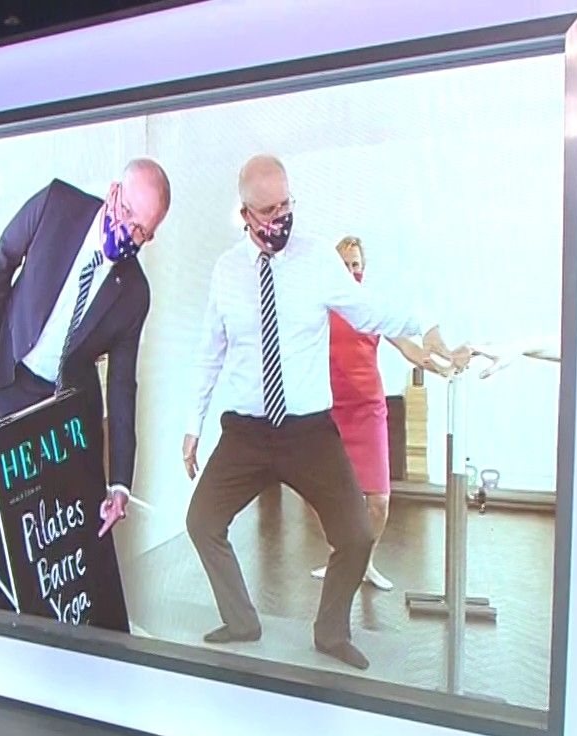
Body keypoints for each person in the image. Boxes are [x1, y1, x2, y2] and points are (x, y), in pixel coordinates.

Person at [183, 155, 464, 671]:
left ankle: (331, 633)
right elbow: (210, 351)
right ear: (244, 214)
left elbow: (369, 309)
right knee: (201, 522)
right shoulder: (226, 271)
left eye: (286, 204)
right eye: (269, 210)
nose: (281, 217)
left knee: (355, 536)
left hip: (308, 433)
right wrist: (192, 425)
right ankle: (241, 621)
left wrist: (424, 326)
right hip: (245, 432)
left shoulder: (316, 259)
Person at [0, 159, 171, 531]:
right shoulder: (57, 204)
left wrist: (120, 483)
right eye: (126, 212)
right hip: (14, 374)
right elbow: (5, 256)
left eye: (140, 230)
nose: (127, 231)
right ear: (113, 192)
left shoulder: (134, 293)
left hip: (68, 405)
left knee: (64, 522)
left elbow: (121, 386)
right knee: (6, 513)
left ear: (150, 237)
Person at [310, 235, 454, 590]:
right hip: (331, 412)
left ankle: (365, 563)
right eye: (344, 265)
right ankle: (340, 559)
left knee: (379, 501)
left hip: (368, 410)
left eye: (356, 264)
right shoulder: (322, 308)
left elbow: (407, 346)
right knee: (330, 498)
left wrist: (437, 363)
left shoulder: (369, 307)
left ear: (364, 268)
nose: (351, 271)